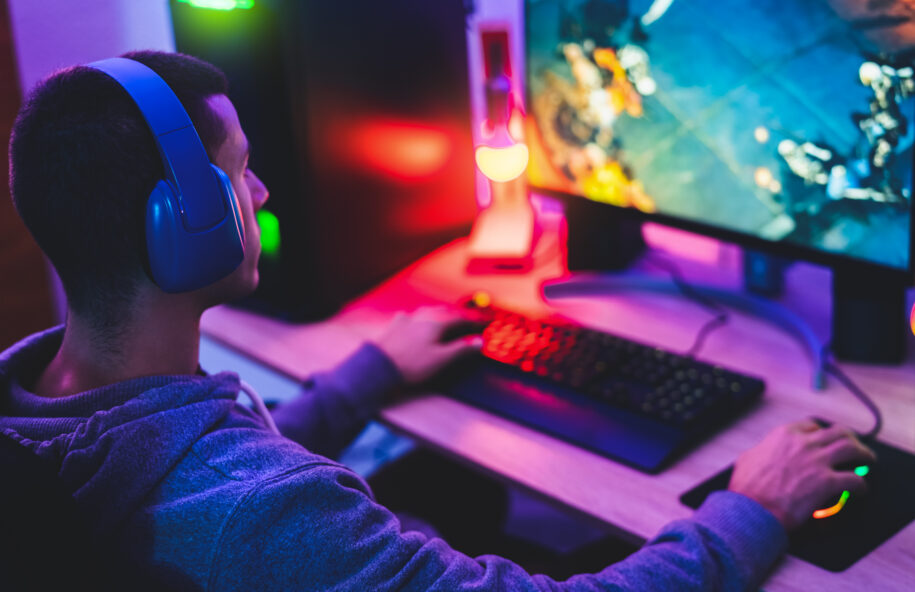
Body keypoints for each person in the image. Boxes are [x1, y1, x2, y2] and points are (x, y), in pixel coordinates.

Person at [0, 51, 876, 591]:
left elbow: (214, 473)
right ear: (181, 223)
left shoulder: (38, 399)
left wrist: (365, 378)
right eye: (240, 173)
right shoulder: (266, 519)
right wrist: (748, 508)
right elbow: (257, 513)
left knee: (457, 490)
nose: (262, 195)